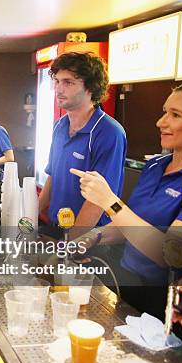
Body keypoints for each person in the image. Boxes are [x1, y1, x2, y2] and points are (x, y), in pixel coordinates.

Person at [72, 80, 182, 354]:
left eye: (175, 115)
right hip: (130, 289)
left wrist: (109, 202)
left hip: (173, 307)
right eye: (164, 112)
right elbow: (131, 224)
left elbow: (169, 253)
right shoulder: (156, 165)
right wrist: (94, 235)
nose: (161, 122)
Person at [38, 52, 127, 232]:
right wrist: (30, 218)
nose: (59, 89)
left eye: (68, 82)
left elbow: (98, 202)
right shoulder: (60, 126)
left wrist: (71, 245)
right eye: (57, 81)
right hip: (57, 228)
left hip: (90, 237)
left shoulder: (109, 133)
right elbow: (53, 177)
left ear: (91, 88)